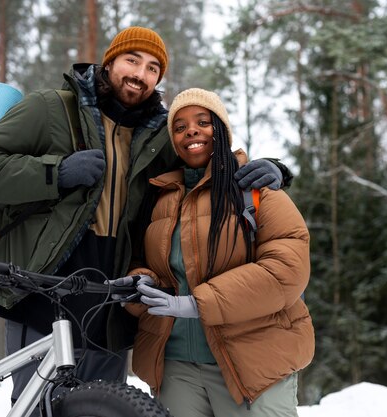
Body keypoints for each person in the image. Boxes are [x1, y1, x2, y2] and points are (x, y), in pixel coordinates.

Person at [0, 27, 292, 411]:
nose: (140, 74)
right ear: (110, 62)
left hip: (113, 293)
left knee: (104, 407)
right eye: (132, 60)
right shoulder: (52, 108)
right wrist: (56, 173)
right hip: (44, 283)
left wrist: (275, 168)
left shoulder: (162, 134)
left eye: (153, 68)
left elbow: (207, 159)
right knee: (38, 406)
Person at [114, 88, 315, 417]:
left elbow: (285, 272)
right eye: (179, 127)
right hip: (177, 366)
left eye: (202, 122)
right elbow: (147, 265)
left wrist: (197, 304)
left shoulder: (257, 189)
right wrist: (141, 284)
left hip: (254, 363)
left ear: (220, 130)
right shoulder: (160, 197)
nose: (190, 131)